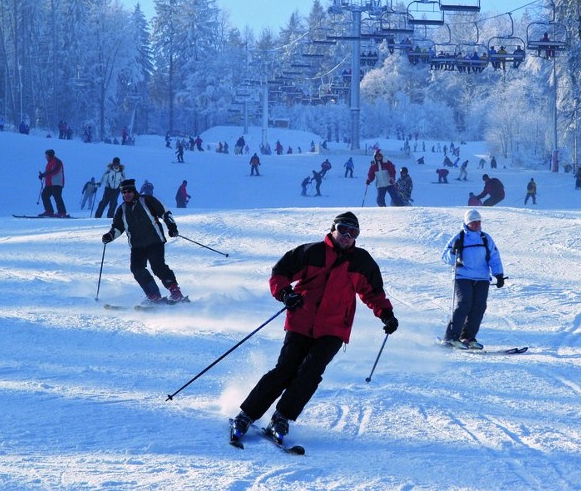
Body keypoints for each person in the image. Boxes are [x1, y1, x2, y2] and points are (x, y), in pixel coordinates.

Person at [229, 212, 398, 443]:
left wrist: (386, 315)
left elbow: (374, 293)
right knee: (285, 370)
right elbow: (280, 274)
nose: (347, 236)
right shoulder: (311, 252)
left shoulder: (362, 261)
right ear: (332, 229)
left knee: (310, 372)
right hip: (301, 321)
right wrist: (286, 294)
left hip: (335, 328)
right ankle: (246, 414)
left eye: (353, 232)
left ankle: (282, 417)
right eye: (343, 229)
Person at [101, 178, 187, 303]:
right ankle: (154, 296)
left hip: (154, 241)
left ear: (134, 191)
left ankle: (175, 292)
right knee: (136, 269)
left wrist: (172, 227)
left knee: (158, 267)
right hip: (137, 246)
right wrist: (109, 236)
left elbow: (165, 213)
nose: (127, 194)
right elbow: (118, 228)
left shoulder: (147, 200)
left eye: (129, 191)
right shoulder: (122, 209)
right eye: (124, 192)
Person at [440, 209, 504, 350]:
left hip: (482, 278)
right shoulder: (459, 238)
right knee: (464, 303)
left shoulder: (485, 238)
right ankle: (451, 337)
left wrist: (498, 274)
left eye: (479, 222)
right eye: (474, 222)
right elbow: (445, 257)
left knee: (479, 306)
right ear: (467, 223)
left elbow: (494, 256)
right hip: (463, 276)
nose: (477, 224)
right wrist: (453, 251)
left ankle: (468, 337)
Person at [39, 149, 66, 217]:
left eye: (47, 156)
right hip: (50, 183)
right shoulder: (49, 162)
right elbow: (48, 171)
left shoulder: (57, 161)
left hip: (57, 183)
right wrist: (42, 175)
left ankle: (62, 212)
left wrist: (45, 174)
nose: (46, 157)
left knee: (57, 196)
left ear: (50, 155)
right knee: (44, 195)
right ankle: (49, 211)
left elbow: (55, 171)